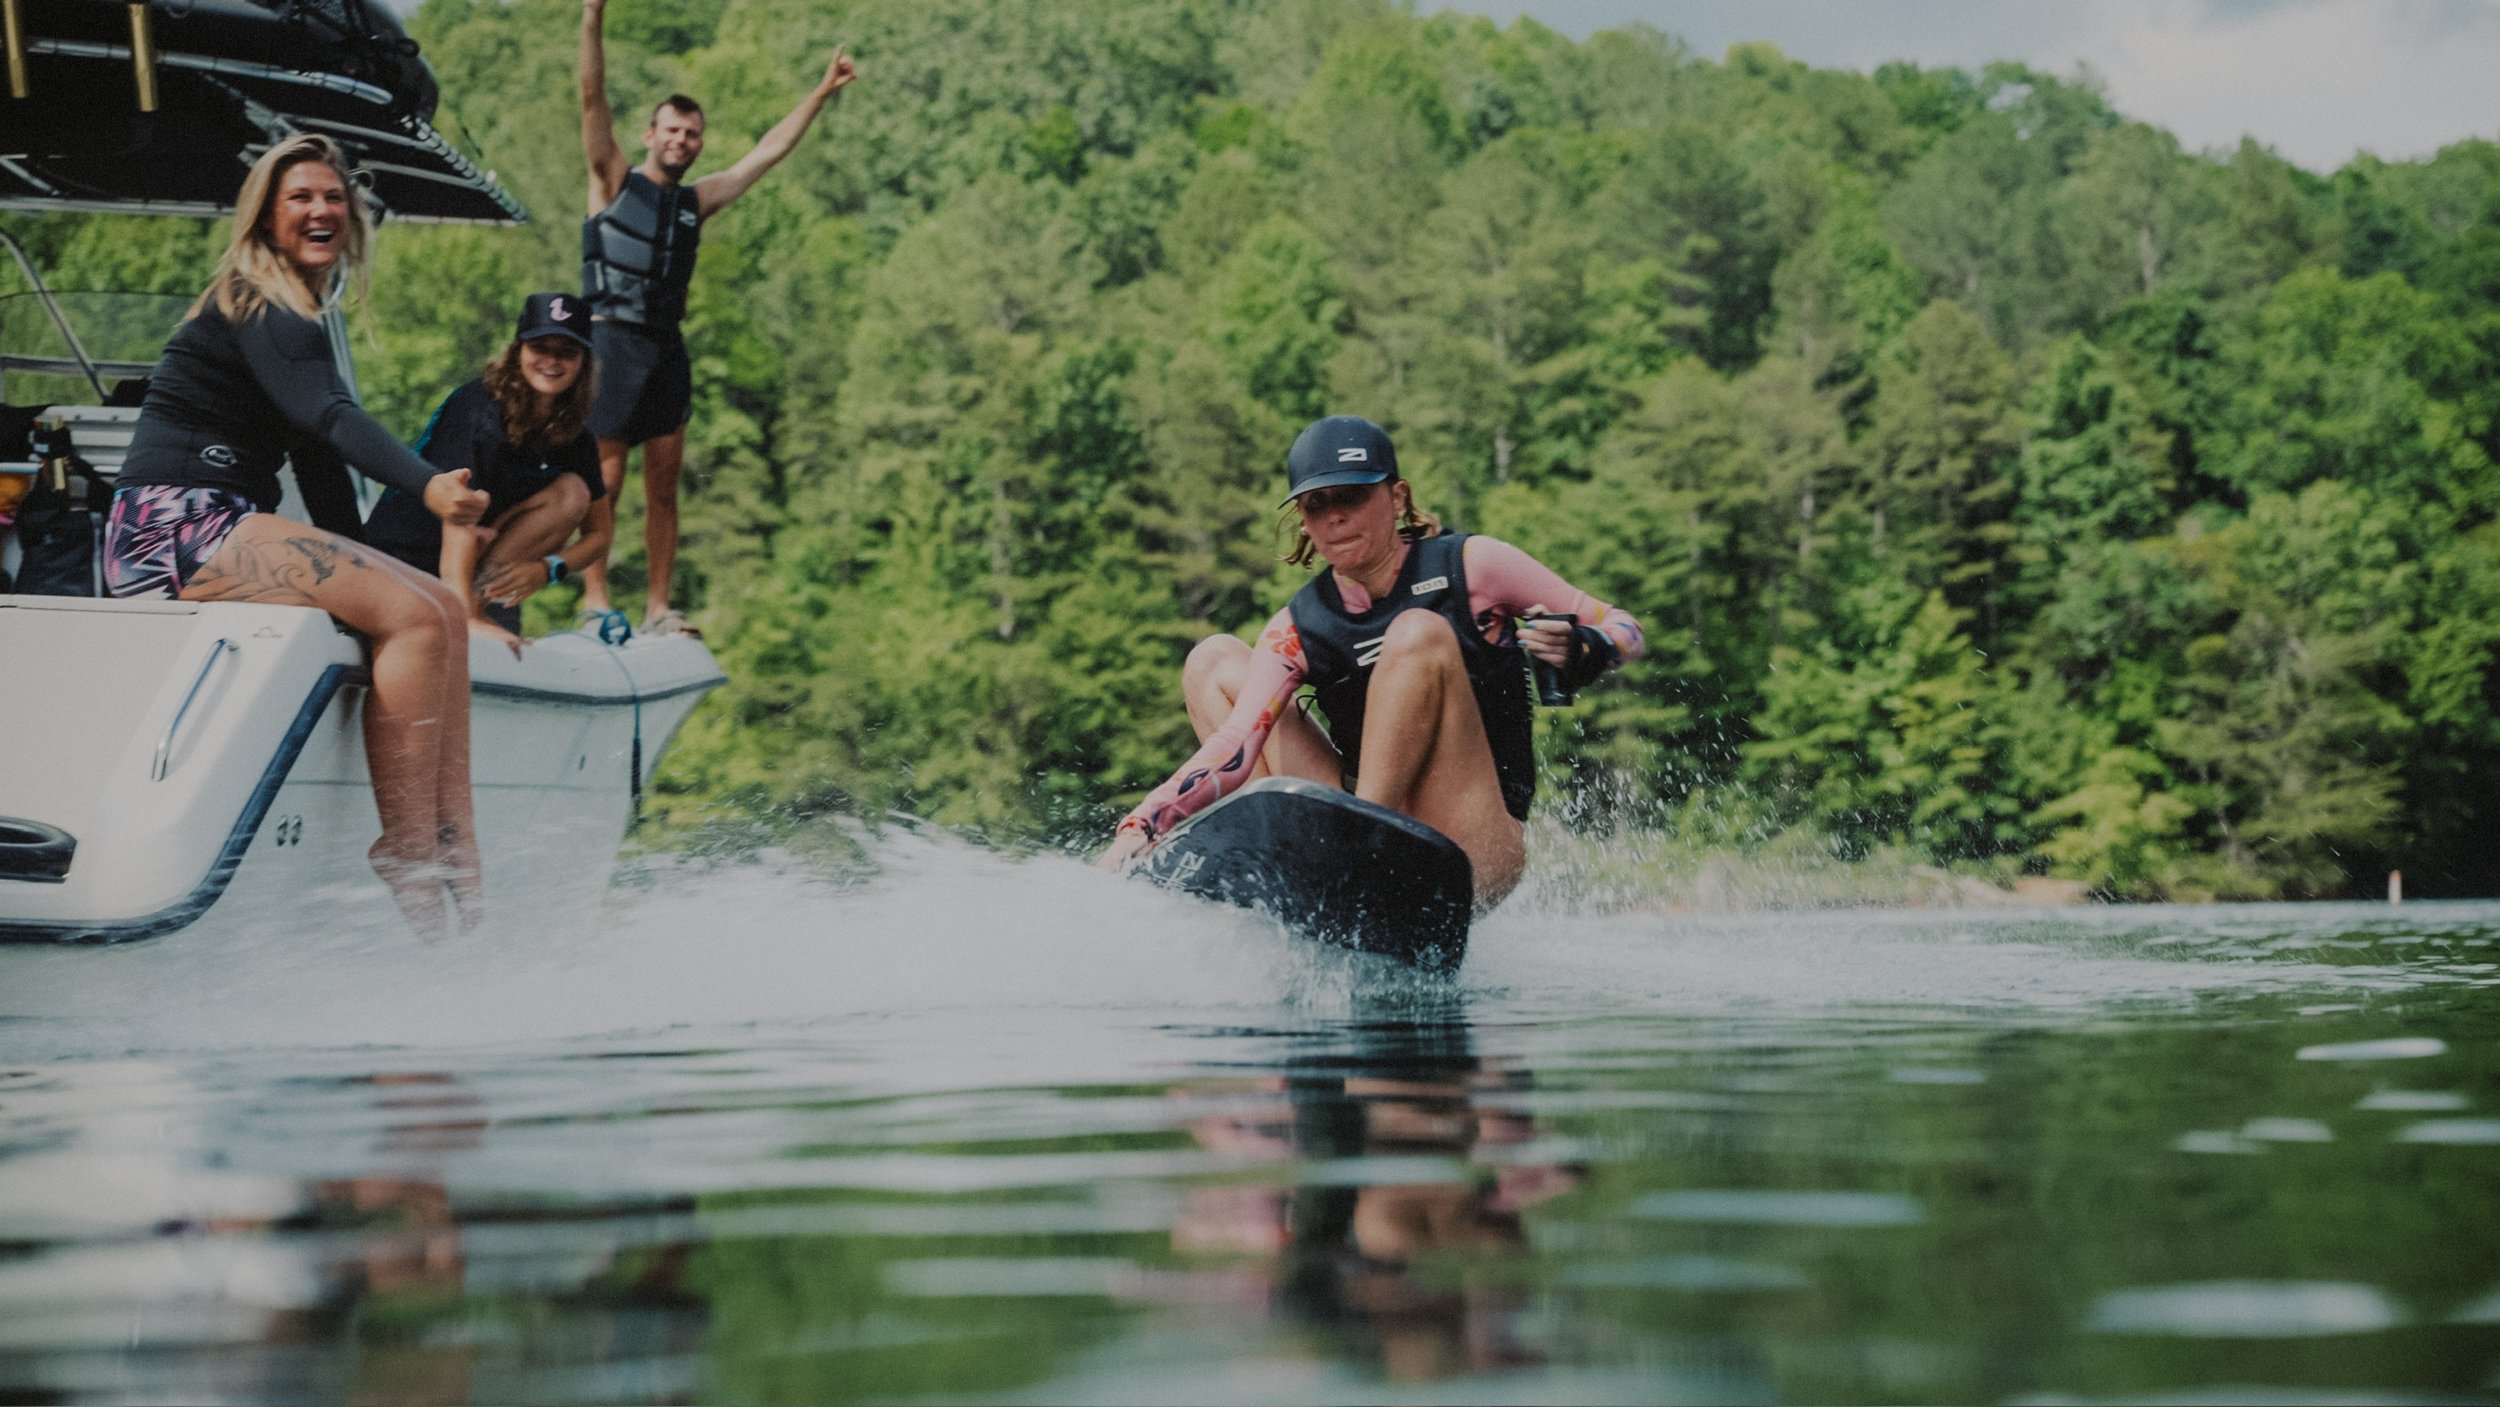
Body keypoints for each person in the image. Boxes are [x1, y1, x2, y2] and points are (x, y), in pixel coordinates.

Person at [104, 133, 493, 937]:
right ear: (266, 219)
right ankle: (408, 845)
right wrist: (428, 485)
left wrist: (377, 574)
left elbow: (319, 464)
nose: (321, 209)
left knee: (440, 611)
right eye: (300, 197)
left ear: (351, 218)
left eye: (333, 197)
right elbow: (333, 420)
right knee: (418, 616)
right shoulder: (258, 301)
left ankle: (454, 836)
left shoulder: (298, 319)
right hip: (170, 528)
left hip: (218, 524)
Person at [1099, 416, 1646, 905]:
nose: (1335, 517)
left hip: (1474, 840)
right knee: (1212, 660)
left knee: (1417, 632)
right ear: (1304, 523)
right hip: (1356, 824)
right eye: (1317, 504)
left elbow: (1624, 627)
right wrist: (1144, 821)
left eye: (1353, 497)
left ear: (1397, 497)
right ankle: (1294, 874)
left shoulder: (1474, 566)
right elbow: (1237, 744)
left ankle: (1357, 855)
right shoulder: (1297, 626)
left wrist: (1588, 647)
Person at [573, 0, 858, 638]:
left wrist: (821, 91)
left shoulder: (698, 202)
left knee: (666, 487)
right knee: (606, 480)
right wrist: (592, 17)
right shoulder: (613, 179)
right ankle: (593, 598)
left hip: (665, 351)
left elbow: (768, 152)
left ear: (700, 143)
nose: (681, 141)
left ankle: (657, 607)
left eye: (692, 134)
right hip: (611, 344)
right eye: (671, 130)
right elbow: (593, 97)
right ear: (652, 135)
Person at [364, 292, 609, 657]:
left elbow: (600, 534)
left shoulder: (575, 435)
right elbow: (458, 513)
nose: (552, 361)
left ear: (583, 363)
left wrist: (547, 570)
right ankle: (464, 614)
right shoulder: (477, 409)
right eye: (540, 347)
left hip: (476, 564)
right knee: (469, 506)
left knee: (573, 491)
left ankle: (478, 606)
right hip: (402, 558)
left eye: (566, 352)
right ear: (518, 350)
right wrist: (463, 618)